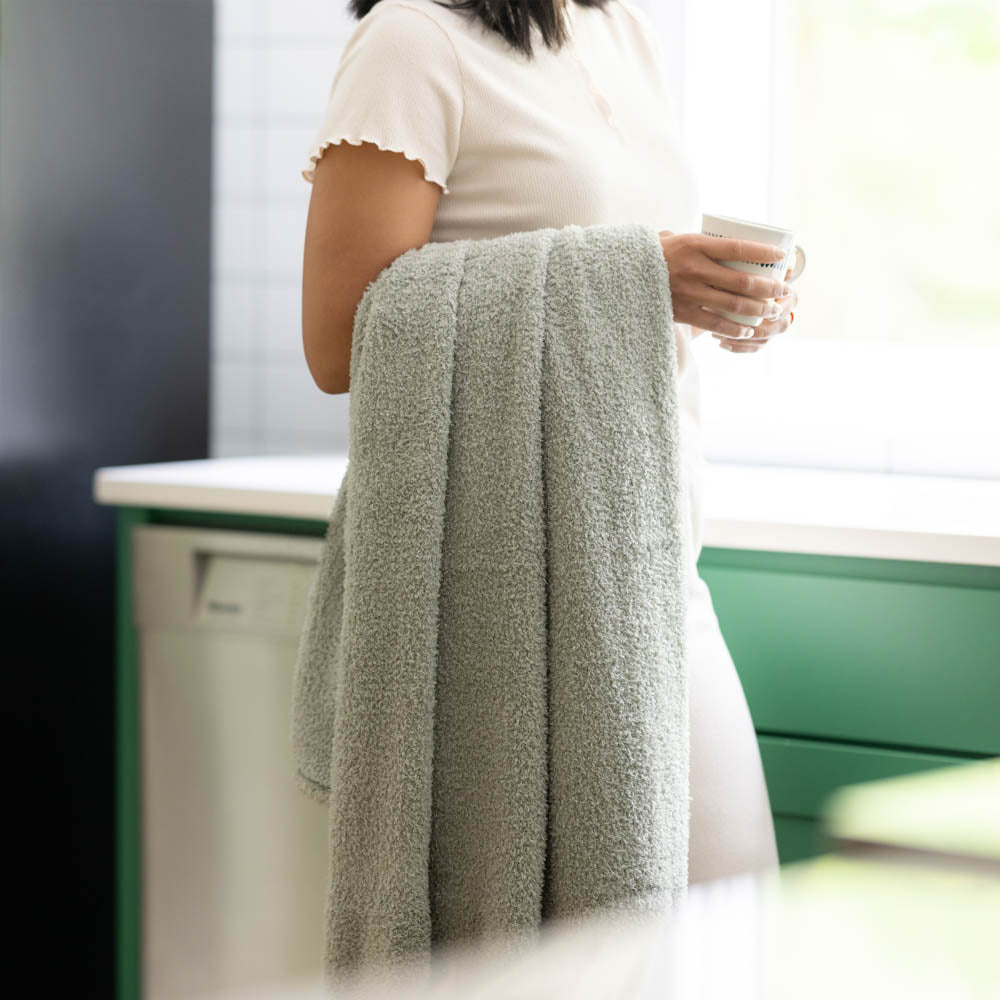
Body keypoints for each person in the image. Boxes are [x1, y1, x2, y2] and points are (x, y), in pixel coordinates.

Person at [300, 0, 792, 885]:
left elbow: (643, 275)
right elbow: (337, 341)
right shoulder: (412, 39)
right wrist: (632, 271)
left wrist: (724, 293)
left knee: (734, 919)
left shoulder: (624, 31)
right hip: (500, 584)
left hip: (649, 554)